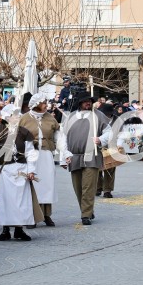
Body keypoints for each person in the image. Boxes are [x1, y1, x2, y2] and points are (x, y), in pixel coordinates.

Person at [0, 104, 37, 241]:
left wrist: (31, 170)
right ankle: (5, 230)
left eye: (18, 114)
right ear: (7, 117)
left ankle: (19, 229)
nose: (18, 117)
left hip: (21, 170)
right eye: (15, 115)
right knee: (5, 201)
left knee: (21, 201)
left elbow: (30, 152)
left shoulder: (24, 132)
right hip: (4, 170)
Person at [58, 91, 110, 226]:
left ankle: (85, 214)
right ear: (79, 102)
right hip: (73, 156)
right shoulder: (70, 117)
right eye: (85, 100)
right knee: (78, 188)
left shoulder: (98, 115)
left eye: (90, 100)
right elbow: (62, 138)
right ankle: (87, 209)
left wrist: (100, 139)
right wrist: (63, 157)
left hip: (91, 155)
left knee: (88, 186)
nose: (88, 103)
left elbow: (109, 132)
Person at [19, 92, 60, 227]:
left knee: (47, 185)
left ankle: (46, 214)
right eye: (43, 103)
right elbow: (18, 138)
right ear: (36, 104)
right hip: (31, 155)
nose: (46, 105)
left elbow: (58, 137)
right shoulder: (24, 119)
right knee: (32, 185)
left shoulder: (50, 118)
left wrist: (64, 153)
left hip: (46, 154)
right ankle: (32, 216)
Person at [96, 103, 117, 199]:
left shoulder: (117, 120)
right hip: (98, 146)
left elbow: (121, 134)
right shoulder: (97, 119)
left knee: (110, 169)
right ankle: (98, 188)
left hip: (112, 147)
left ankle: (107, 190)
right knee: (97, 169)